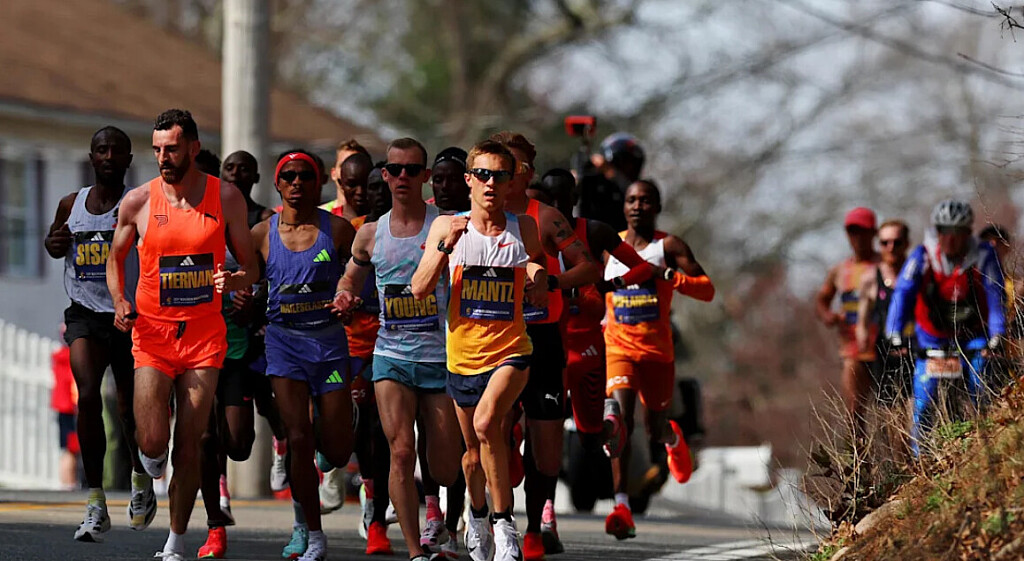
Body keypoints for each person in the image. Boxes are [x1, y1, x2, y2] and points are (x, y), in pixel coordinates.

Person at [107, 109, 258, 561]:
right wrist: (119, 300)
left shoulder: (225, 197)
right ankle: (149, 464)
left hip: (203, 337)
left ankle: (175, 540)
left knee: (190, 443)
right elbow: (115, 259)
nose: (163, 158)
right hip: (152, 335)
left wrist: (235, 280)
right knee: (153, 440)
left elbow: (250, 267)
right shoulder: (138, 201)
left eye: (171, 149)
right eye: (157, 150)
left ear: (193, 148)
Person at [412, 139, 549, 561]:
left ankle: (505, 527)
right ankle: (476, 516)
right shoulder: (447, 226)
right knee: (472, 455)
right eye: (483, 175)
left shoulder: (523, 227)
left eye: (499, 176)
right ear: (470, 180)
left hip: (511, 350)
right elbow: (419, 288)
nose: (491, 183)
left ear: (510, 182)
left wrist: (537, 277)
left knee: (489, 424)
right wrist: (444, 248)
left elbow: (536, 266)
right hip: (463, 356)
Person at [334, 138, 462, 561]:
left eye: (412, 170)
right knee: (401, 451)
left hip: (440, 358)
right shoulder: (370, 234)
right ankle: (414, 551)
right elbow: (350, 278)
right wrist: (344, 295)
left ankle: (448, 517)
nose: (402, 177)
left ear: (425, 176)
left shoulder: (447, 226)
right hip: (391, 357)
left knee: (444, 467)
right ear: (385, 175)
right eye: (395, 170)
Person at [490, 131, 601, 560]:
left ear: (527, 173)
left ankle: (535, 528)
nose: (503, 174)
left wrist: (552, 281)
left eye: (514, 166)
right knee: (491, 431)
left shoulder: (547, 217)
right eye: (496, 166)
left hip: (542, 338)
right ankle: (500, 524)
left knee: (549, 452)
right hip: (491, 340)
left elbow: (588, 268)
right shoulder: (475, 217)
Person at [44, 126, 152, 542]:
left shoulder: (138, 204)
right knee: (87, 395)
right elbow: (55, 242)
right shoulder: (71, 204)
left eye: (116, 151)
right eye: (101, 150)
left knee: (128, 408)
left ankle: (140, 478)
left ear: (128, 160)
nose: (108, 156)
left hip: (127, 315)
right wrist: (55, 242)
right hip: (84, 314)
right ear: (91, 157)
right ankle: (95, 501)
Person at [252, 150, 357, 561]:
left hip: (328, 347)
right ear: (278, 184)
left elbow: (361, 279)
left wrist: (350, 298)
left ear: (319, 183)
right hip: (284, 344)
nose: (297, 183)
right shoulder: (261, 234)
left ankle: (341, 423)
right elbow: (247, 277)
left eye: (305, 176)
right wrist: (238, 289)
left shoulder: (339, 230)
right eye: (289, 176)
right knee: (298, 437)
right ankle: (311, 532)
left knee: (336, 452)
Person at [601, 180, 714, 541]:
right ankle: (621, 506)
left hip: (656, 352)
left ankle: (672, 438)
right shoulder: (609, 245)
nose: (638, 205)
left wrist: (667, 275)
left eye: (646, 200)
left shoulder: (668, 246)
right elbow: (592, 288)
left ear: (657, 206)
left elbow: (707, 290)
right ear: (624, 207)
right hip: (618, 348)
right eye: (632, 199)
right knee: (619, 420)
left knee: (654, 427)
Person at [540, 169, 653, 460]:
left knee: (589, 438)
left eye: (562, 198)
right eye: (549, 199)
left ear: (575, 197)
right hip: (547, 340)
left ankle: (609, 421)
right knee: (538, 427)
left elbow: (643, 268)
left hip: (585, 342)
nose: (555, 206)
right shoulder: (530, 232)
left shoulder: (594, 231)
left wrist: (608, 285)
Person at [885, 200, 1006, 455]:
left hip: (973, 335)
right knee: (923, 398)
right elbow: (902, 293)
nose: (950, 239)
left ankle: (991, 442)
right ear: (937, 231)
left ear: (967, 232)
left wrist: (998, 334)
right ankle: (921, 456)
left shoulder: (984, 255)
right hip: (933, 338)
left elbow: (995, 295)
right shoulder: (922, 256)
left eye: (957, 232)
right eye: (944, 231)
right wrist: (894, 333)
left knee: (981, 383)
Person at [420, 147, 470, 557]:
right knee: (432, 434)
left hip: (470, 344)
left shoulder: (481, 224)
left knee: (462, 440)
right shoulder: (425, 221)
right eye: (438, 179)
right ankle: (437, 516)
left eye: (453, 178)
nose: (445, 186)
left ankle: (460, 523)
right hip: (425, 344)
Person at [815, 207, 880, 435]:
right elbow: (822, 300)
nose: (858, 238)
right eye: (853, 232)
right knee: (854, 414)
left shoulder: (885, 264)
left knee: (894, 412)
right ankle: (859, 456)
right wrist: (828, 316)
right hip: (852, 351)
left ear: (874, 233)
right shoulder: (840, 270)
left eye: (863, 231)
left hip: (885, 350)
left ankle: (900, 457)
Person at [855, 220, 912, 407]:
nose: (891, 247)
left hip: (917, 351)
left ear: (907, 243)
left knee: (916, 410)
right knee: (890, 412)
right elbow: (862, 321)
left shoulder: (918, 273)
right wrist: (862, 338)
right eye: (885, 243)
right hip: (886, 353)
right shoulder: (870, 278)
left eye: (897, 242)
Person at [577, 132, 645, 232]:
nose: (629, 169)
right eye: (623, 163)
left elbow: (630, 193)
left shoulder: (640, 190)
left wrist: (612, 174)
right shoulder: (595, 185)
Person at [51, 331, 80, 491]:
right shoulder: (73, 358)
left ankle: (66, 482)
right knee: (72, 448)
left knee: (66, 448)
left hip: (61, 407)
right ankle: (70, 482)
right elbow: (74, 384)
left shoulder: (58, 358)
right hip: (71, 408)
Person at [323, 139, 373, 215]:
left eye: (357, 165)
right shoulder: (320, 215)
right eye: (343, 165)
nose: (350, 171)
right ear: (333, 173)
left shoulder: (380, 216)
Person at [429, 147, 471, 212]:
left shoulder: (483, 214)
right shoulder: (421, 214)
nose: (445, 186)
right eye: (438, 180)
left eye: (454, 179)